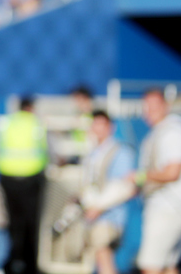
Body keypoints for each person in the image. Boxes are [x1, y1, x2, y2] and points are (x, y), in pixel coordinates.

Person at [133, 90, 181, 274]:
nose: (149, 111)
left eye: (154, 106)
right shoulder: (158, 133)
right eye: (146, 107)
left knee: (150, 266)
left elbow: (172, 172)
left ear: (165, 106)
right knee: (168, 267)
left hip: (169, 207)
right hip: (167, 207)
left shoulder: (172, 132)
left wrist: (140, 177)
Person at [0, 95, 47, 274]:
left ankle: (12, 262)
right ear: (31, 107)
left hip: (8, 177)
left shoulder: (6, 122)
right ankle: (30, 264)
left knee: (13, 224)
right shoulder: (36, 122)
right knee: (31, 224)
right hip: (31, 178)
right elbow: (46, 149)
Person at [77, 110, 134, 274]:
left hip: (110, 217)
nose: (98, 129)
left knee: (104, 257)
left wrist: (98, 207)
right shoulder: (93, 153)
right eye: (95, 124)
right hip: (93, 216)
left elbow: (122, 186)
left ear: (111, 127)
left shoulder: (120, 151)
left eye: (102, 124)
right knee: (99, 259)